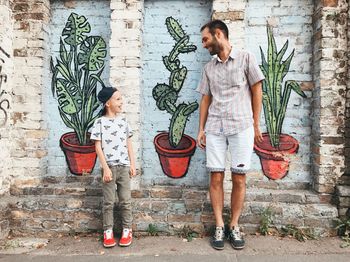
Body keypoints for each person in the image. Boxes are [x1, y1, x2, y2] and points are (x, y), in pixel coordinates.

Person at [196, 20, 264, 250]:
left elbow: (257, 90)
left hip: (242, 126)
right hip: (215, 127)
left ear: (218, 34)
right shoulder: (209, 68)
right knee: (215, 177)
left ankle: (234, 225)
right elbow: (205, 98)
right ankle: (218, 225)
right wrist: (201, 129)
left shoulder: (246, 58)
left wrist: (256, 125)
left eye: (206, 39)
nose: (204, 45)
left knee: (239, 178)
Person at [90, 87, 136, 248]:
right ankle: (107, 231)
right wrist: (105, 168)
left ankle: (127, 230)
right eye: (117, 99)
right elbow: (98, 147)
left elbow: (128, 144)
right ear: (107, 103)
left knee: (125, 201)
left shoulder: (123, 122)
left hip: (123, 167)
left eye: (121, 98)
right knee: (109, 202)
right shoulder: (100, 123)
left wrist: (132, 164)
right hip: (108, 168)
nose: (121, 102)